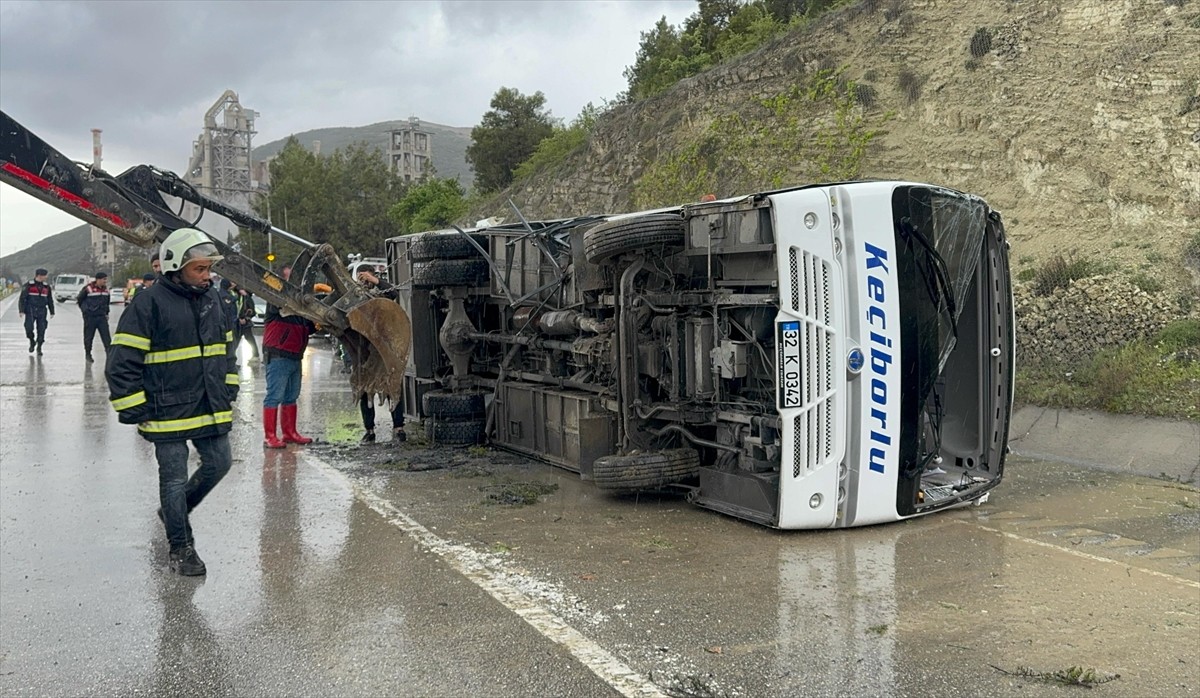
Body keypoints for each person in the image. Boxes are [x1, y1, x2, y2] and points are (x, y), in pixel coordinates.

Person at [106, 228, 237, 577]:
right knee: (174, 480)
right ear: (175, 267)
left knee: (220, 463)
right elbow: (122, 361)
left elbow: (227, 350)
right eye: (200, 269)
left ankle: (174, 511)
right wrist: (133, 406)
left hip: (209, 404)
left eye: (209, 268)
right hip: (166, 411)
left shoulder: (214, 300)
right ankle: (181, 547)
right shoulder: (147, 303)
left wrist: (229, 386)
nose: (207, 276)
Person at [262, 265, 316, 448]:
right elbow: (282, 304)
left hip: (295, 356)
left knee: (291, 396)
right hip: (278, 354)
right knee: (274, 395)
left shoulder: (301, 306)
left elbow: (308, 327)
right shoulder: (275, 300)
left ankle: (289, 433)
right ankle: (270, 436)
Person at [355, 268, 407, 444]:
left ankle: (398, 427)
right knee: (364, 390)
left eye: (366, 277)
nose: (364, 281)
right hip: (364, 350)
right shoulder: (355, 297)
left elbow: (393, 293)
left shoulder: (381, 294)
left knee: (393, 387)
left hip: (385, 350)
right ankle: (369, 430)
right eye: (361, 278)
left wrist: (375, 281)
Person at [18, 268, 55, 355]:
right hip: (31, 309)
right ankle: (32, 340)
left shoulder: (46, 287)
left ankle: (39, 347)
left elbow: (50, 299)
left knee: (42, 329)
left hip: (42, 310)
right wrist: (21, 310)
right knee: (28, 328)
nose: (46, 277)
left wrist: (52, 311)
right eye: (45, 275)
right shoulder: (29, 285)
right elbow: (22, 298)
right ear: (39, 276)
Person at [77, 271, 112, 363]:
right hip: (90, 317)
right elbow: (80, 299)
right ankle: (88, 354)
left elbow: (107, 303)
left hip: (102, 317)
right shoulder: (88, 288)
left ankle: (109, 355)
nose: (105, 281)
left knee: (106, 337)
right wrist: (85, 311)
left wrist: (107, 313)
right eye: (104, 279)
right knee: (89, 337)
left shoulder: (106, 290)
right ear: (98, 280)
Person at [235, 286, 260, 362]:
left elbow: (252, 311)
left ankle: (255, 355)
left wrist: (245, 318)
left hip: (245, 323)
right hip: (238, 323)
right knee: (236, 340)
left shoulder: (247, 298)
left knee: (249, 340)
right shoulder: (238, 297)